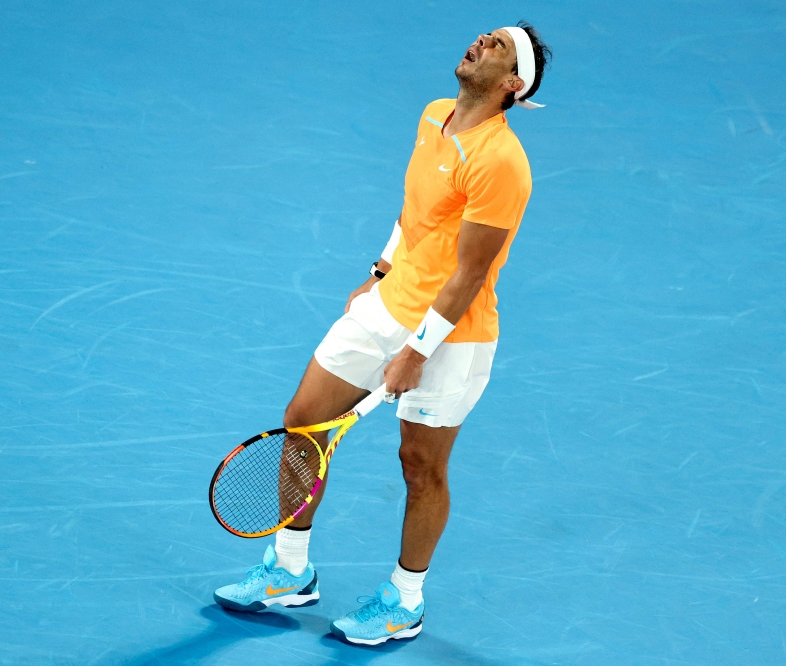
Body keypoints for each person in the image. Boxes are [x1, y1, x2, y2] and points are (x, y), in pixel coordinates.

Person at [214, 22, 552, 646]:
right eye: (485, 34)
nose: (480, 41)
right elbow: (415, 210)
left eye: (498, 46)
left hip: (456, 334)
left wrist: (415, 353)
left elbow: (471, 275)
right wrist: (381, 271)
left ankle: (405, 599)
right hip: (390, 304)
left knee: (420, 466)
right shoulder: (435, 115)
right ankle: (290, 569)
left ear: (512, 85)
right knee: (304, 420)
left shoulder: (503, 163)